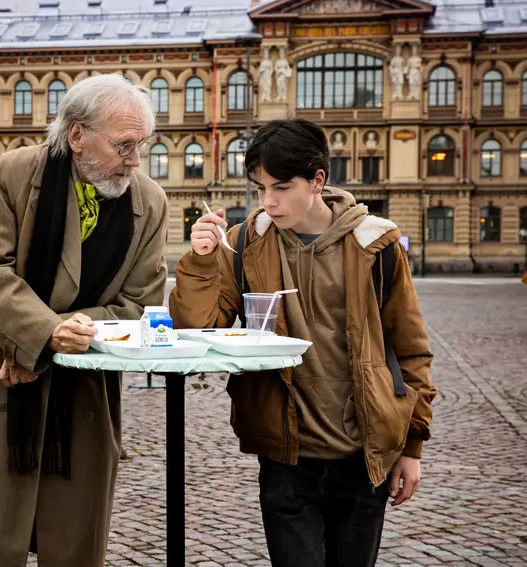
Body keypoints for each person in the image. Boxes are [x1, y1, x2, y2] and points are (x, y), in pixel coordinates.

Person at [0, 73, 170, 567]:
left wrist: (58, 338)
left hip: (83, 388)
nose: (135, 160)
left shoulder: (150, 202)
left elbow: (141, 302)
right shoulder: (15, 173)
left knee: (71, 537)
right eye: (124, 145)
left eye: (142, 145)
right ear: (77, 136)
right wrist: (43, 333)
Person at [169, 118, 437, 567]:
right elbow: (199, 330)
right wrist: (199, 262)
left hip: (363, 459)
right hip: (286, 459)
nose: (268, 202)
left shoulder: (377, 246)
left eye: (281, 187)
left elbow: (411, 352)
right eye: (260, 189)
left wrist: (411, 447)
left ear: (317, 180)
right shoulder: (244, 245)